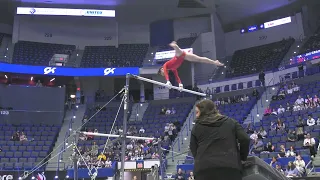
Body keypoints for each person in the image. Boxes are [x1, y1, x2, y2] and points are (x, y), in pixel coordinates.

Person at [190, 99, 250, 180]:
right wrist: (242, 158)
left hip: (203, 170)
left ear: (204, 111)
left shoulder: (196, 127)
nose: (196, 116)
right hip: (230, 168)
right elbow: (245, 139)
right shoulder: (231, 122)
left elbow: (193, 149)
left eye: (197, 112)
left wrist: (201, 161)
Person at [158, 41, 224, 88]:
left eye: (162, 73)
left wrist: (168, 81)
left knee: (177, 50)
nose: (164, 74)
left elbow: (166, 73)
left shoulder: (165, 65)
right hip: (184, 56)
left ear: (162, 69)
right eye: (163, 75)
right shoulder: (173, 69)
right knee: (199, 59)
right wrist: (180, 84)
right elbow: (177, 76)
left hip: (178, 56)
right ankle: (215, 62)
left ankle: (174, 45)